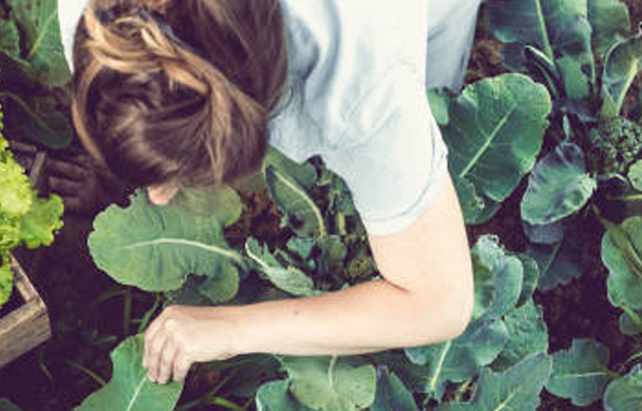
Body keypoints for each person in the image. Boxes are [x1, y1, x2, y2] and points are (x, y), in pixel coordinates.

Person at [54, 0, 480, 384]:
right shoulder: (89, 12)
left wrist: (232, 329)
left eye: (178, 176)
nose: (160, 199)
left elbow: (439, 301)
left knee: (436, 100)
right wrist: (127, 162)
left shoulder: (364, 87)